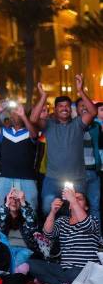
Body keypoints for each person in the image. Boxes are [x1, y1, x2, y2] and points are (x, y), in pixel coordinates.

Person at [30, 77, 97, 218]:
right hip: (52, 179)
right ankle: (53, 239)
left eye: (67, 106)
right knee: (48, 208)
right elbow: (33, 119)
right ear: (55, 109)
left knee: (77, 211)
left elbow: (93, 112)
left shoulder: (78, 124)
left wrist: (80, 91)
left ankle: (73, 238)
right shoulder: (49, 125)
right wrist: (43, 96)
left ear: (70, 109)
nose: (64, 108)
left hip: (77, 179)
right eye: (60, 106)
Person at [27, 187, 102, 284]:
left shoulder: (93, 220)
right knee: (31, 264)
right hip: (64, 270)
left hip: (84, 271)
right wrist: (53, 211)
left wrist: (73, 200)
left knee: (76, 274)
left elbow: (86, 225)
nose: (74, 200)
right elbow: (48, 233)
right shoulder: (63, 221)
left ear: (86, 207)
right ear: (70, 206)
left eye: (79, 199)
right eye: (73, 199)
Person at [0, 101, 39, 212]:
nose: (16, 114)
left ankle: (30, 229)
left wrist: (23, 116)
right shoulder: (5, 132)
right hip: (5, 176)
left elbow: (34, 135)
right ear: (9, 117)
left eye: (19, 112)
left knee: (31, 208)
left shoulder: (29, 131)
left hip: (27, 177)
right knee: (0, 207)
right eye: (13, 113)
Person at [0, 188, 40, 271]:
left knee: (19, 259)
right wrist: (6, 204)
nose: (14, 202)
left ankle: (13, 277)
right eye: (11, 199)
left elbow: (32, 225)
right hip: (7, 250)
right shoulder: (1, 216)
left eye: (17, 200)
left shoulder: (27, 216)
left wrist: (24, 203)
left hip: (24, 250)